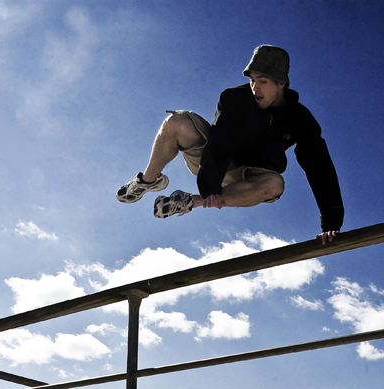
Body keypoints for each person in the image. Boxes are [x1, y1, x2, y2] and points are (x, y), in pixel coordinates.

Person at [117, 45, 343, 244]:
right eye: (252, 80)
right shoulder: (234, 98)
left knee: (275, 184)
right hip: (215, 162)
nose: (255, 88)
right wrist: (210, 189)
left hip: (250, 178)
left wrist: (330, 223)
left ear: (281, 83)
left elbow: (319, 167)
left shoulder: (300, 118)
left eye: (263, 82)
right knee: (177, 121)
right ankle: (148, 180)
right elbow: (219, 143)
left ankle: (187, 202)